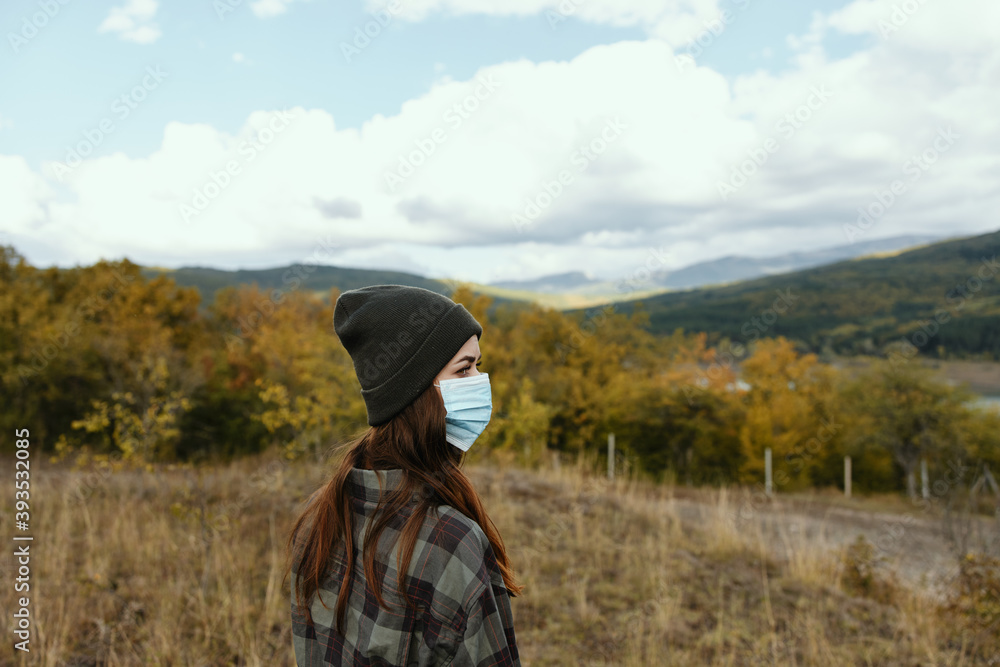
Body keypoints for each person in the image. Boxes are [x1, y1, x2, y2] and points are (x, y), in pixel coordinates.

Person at [285, 284, 523, 666]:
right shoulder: (452, 543)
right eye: (464, 369)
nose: (480, 382)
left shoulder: (319, 515)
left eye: (478, 365)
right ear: (412, 392)